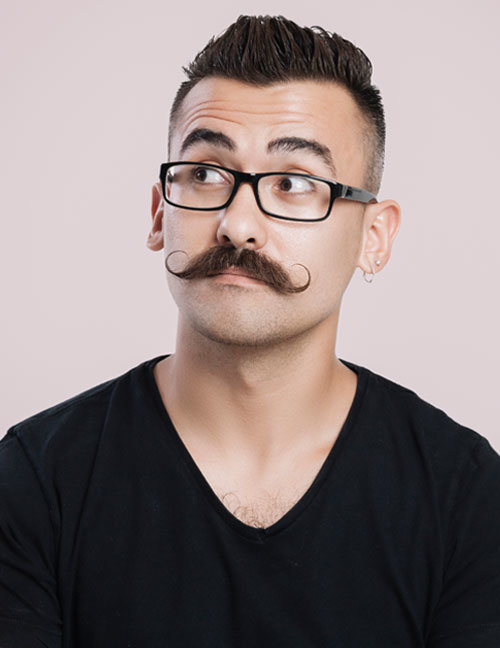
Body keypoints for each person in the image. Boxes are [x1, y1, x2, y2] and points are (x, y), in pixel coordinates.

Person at [1, 14, 499, 648]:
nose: (237, 225)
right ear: (158, 213)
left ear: (373, 237)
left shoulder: (466, 495)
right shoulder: (33, 481)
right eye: (205, 174)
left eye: (294, 183)